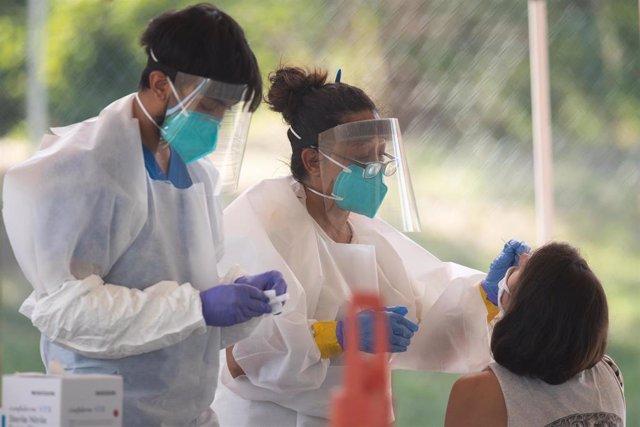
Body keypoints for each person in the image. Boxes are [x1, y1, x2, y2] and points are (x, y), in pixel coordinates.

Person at [2, 4, 287, 426]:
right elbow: (65, 311)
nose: (215, 120)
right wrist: (198, 307)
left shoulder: (197, 176)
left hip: (185, 411)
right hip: (96, 412)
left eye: (225, 111)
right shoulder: (77, 171)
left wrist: (239, 298)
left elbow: (188, 302)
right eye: (208, 105)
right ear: (159, 83)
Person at [211, 66, 529, 426]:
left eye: (381, 156)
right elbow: (240, 355)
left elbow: (421, 325)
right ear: (313, 160)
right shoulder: (265, 223)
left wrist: (485, 294)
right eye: (362, 158)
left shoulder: (364, 233)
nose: (375, 169)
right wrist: (338, 335)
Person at [445, 242, 626, 426]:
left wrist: (485, 300)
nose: (523, 258)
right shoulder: (608, 373)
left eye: (524, 270)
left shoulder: (479, 392)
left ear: (526, 314)